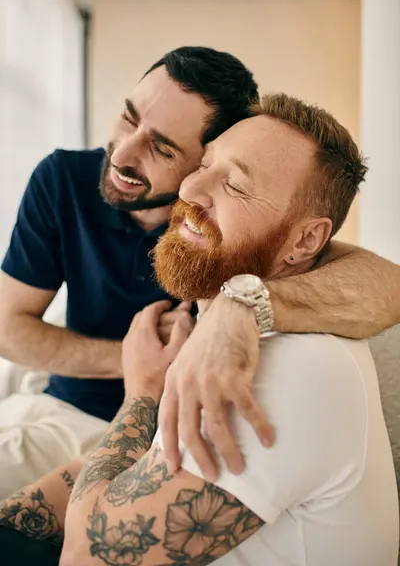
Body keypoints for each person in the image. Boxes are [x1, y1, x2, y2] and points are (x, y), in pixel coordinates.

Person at [0, 93, 398, 565]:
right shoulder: (219, 322)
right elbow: (149, 466)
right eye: (206, 163)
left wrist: (143, 388)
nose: (190, 189)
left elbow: (85, 556)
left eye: (235, 185)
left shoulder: (288, 370)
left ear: (307, 239)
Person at [0, 46, 259, 497]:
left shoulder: (233, 223)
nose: (122, 153)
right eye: (128, 117)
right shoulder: (63, 178)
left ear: (205, 164)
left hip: (167, 437)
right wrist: (138, 358)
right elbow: (7, 329)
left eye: (160, 147)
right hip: (65, 409)